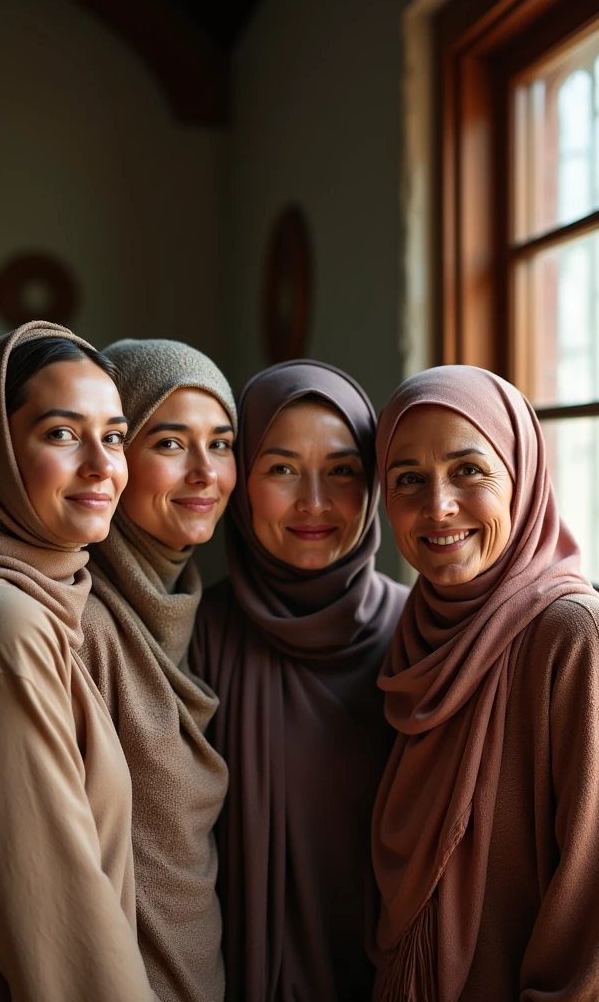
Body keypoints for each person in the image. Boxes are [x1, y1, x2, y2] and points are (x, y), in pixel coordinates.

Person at [372, 364, 599, 1002]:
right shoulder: (419, 633)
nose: (438, 506)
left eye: (469, 470)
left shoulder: (576, 636)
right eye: (408, 480)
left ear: (523, 476)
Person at [0, 322, 154, 1000]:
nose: (102, 465)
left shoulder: (45, 609)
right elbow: (66, 936)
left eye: (113, 436)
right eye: (61, 434)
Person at [190, 360, 409, 1002]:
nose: (314, 502)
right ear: (242, 483)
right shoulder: (192, 638)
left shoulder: (421, 640)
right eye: (281, 468)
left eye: (342, 470)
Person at [79, 339, 237, 1002]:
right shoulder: (78, 625)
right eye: (170, 444)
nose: (205, 472)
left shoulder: (187, 609)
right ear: (114, 458)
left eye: (222, 443)